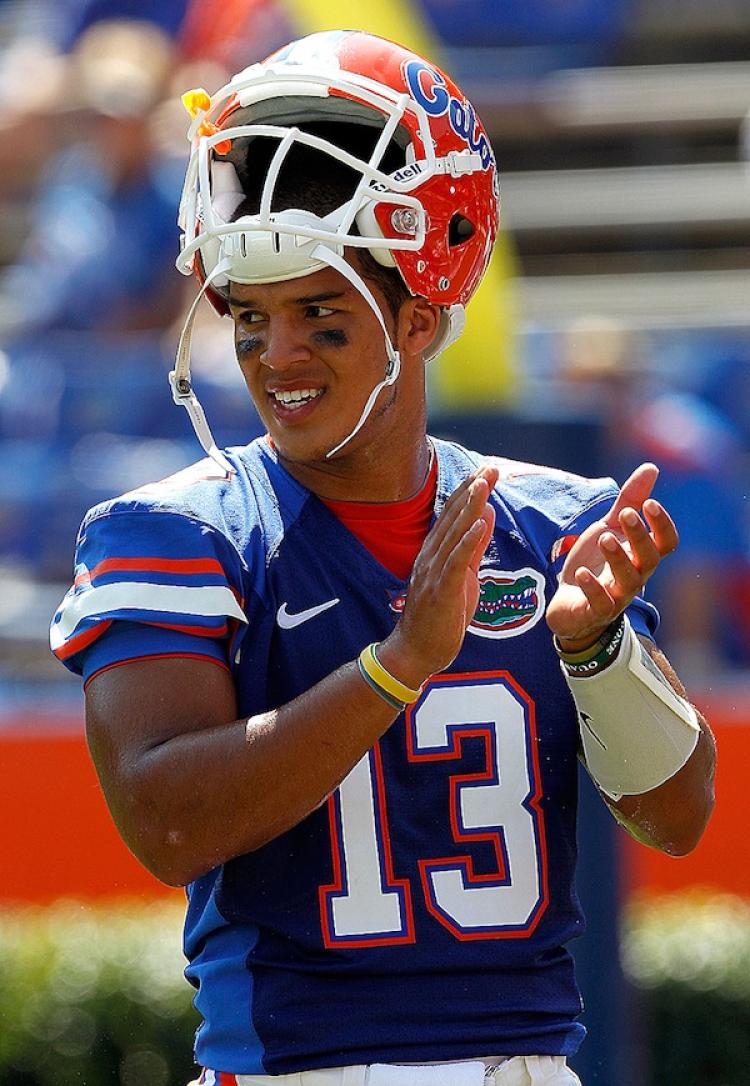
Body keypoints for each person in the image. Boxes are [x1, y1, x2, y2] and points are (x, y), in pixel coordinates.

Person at [50, 30, 715, 1086]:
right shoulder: (184, 531)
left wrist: (595, 653)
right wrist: (396, 667)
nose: (280, 357)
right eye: (253, 318)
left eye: (321, 315)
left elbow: (679, 818)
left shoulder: (547, 522)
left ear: (419, 319)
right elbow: (168, 822)